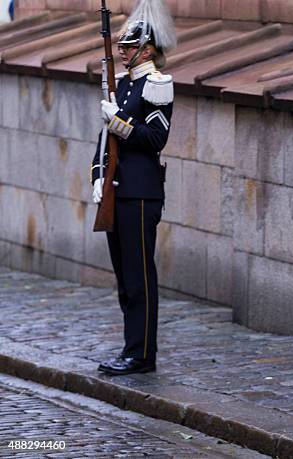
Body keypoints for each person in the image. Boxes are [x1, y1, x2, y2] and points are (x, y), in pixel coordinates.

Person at [92, 0, 176, 376]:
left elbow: (155, 137)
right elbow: (103, 141)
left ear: (146, 48)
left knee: (139, 276)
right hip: (117, 189)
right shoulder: (124, 84)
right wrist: (98, 175)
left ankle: (141, 354)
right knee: (124, 277)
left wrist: (119, 122)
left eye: (128, 47)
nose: (122, 52)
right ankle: (132, 346)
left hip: (141, 192)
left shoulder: (157, 84)